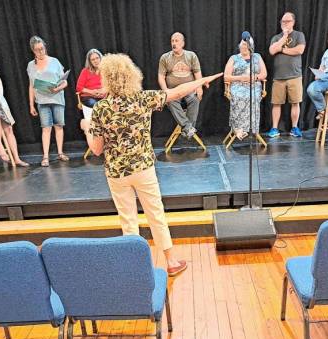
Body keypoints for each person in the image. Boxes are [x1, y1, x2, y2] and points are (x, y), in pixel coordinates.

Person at [81, 53, 222, 276]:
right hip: (143, 168)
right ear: (130, 75)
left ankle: (136, 268)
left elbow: (97, 149)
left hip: (117, 173)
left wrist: (86, 126)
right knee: (156, 214)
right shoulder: (143, 99)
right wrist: (202, 80)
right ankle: (172, 262)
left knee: (128, 220)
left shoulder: (101, 109)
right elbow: (176, 92)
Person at [27, 36, 69, 167]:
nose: (41, 51)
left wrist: (58, 87)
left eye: (42, 48)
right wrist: (31, 104)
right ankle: (45, 156)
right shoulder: (30, 65)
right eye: (37, 50)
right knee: (46, 127)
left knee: (59, 126)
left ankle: (60, 153)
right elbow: (31, 85)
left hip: (57, 98)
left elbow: (65, 81)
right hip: (42, 100)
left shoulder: (55, 61)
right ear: (33, 51)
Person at [158, 32, 205, 139]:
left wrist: (199, 88)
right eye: (172, 41)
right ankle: (188, 127)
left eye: (177, 41)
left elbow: (198, 74)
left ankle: (187, 129)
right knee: (169, 100)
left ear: (183, 43)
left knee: (195, 98)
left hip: (189, 89)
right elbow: (161, 77)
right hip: (173, 91)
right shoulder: (165, 58)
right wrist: (166, 91)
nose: (174, 43)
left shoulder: (191, 56)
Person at [268, 12, 306, 138]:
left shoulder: (299, 35)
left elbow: (299, 50)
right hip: (278, 77)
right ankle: (274, 128)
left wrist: (282, 49)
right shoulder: (276, 37)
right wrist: (283, 37)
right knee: (276, 103)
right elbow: (272, 50)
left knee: (295, 102)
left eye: (287, 21)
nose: (285, 23)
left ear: (293, 22)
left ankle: (294, 128)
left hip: (295, 76)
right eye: (283, 21)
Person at [224, 40, 267, 139]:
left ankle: (252, 128)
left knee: (253, 97)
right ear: (239, 46)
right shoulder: (233, 58)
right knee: (239, 96)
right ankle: (238, 129)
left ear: (251, 46)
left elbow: (264, 74)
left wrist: (255, 78)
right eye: (242, 45)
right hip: (237, 85)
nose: (244, 47)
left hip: (254, 85)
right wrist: (240, 78)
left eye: (247, 45)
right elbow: (226, 77)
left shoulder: (257, 57)